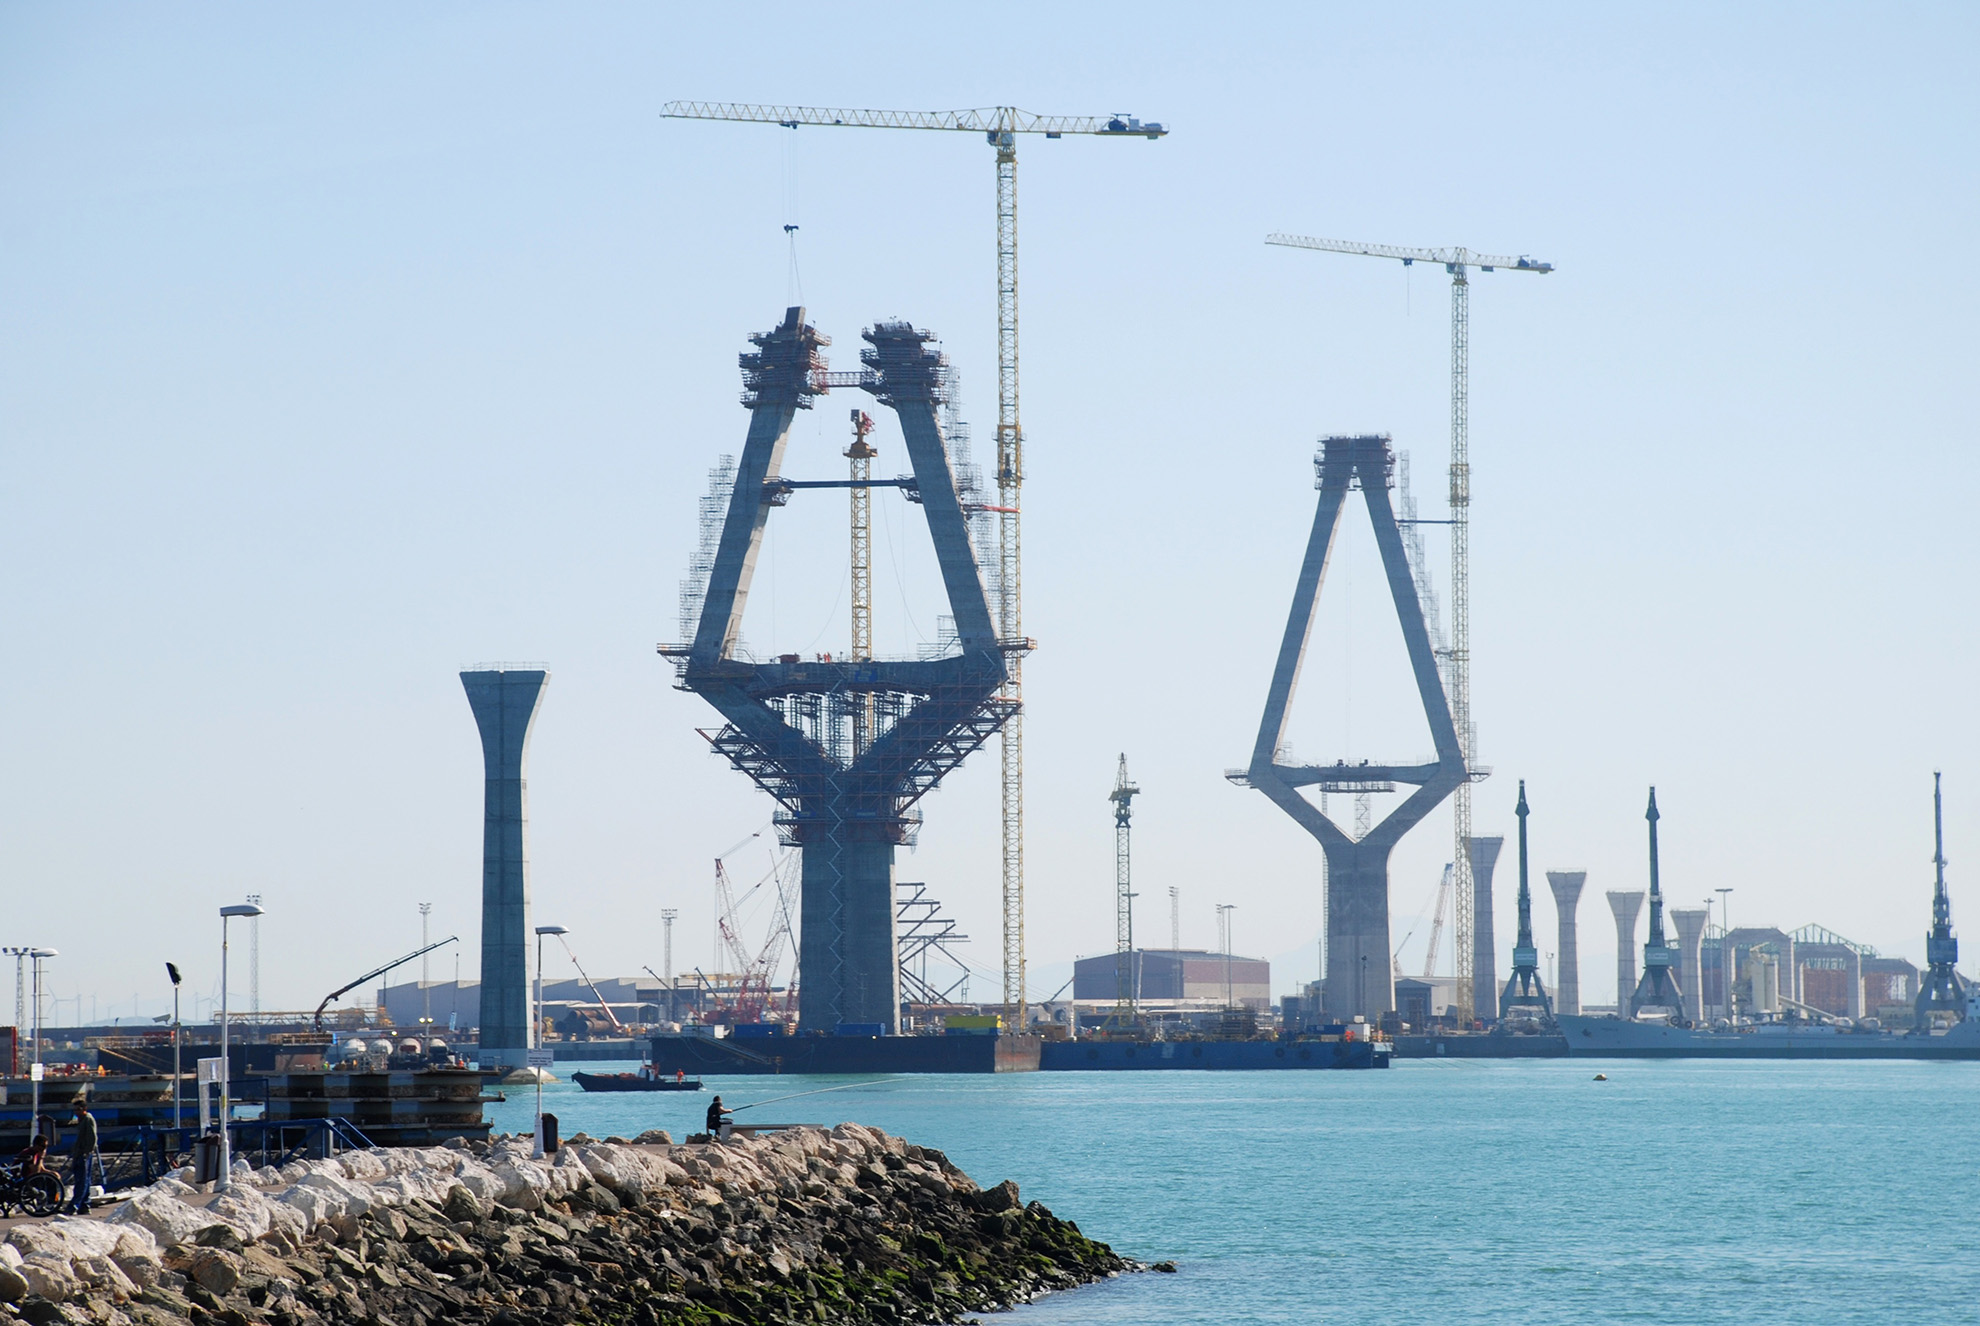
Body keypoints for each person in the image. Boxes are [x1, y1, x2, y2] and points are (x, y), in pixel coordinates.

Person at [69, 1104, 101, 1214]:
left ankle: (74, 1205)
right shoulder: (81, 1120)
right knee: (84, 1179)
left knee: (82, 1180)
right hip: (79, 1152)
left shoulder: (88, 1119)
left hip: (84, 1153)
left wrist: (87, 1151)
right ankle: (84, 1205)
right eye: (75, 1110)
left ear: (84, 1109)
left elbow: (92, 1137)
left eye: (79, 1109)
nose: (76, 1112)